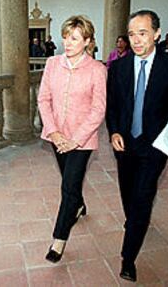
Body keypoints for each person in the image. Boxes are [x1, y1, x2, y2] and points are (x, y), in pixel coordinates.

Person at [106, 10, 168, 282]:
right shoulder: (119, 67)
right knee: (129, 195)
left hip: (155, 144)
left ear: (156, 33)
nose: (136, 40)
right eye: (132, 34)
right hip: (125, 144)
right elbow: (114, 105)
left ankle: (128, 257)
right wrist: (114, 131)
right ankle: (135, 222)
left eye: (142, 33)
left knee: (142, 198)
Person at [38, 15, 107, 264]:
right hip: (57, 137)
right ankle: (78, 206)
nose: (67, 42)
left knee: (67, 187)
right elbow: (43, 100)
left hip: (82, 140)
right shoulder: (52, 63)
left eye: (74, 38)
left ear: (87, 40)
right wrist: (54, 132)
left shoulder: (98, 70)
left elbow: (98, 110)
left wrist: (75, 140)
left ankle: (59, 239)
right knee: (70, 180)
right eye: (66, 36)